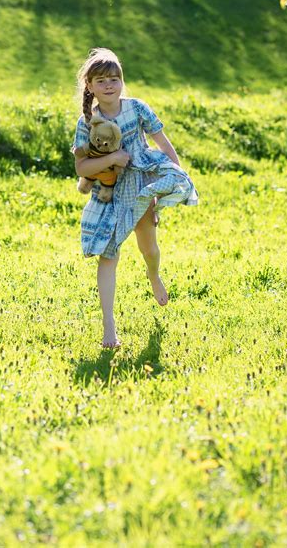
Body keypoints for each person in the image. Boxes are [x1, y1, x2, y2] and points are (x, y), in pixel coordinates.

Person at [71, 48, 198, 349]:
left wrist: (174, 175)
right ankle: (109, 328)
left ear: (122, 82)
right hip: (108, 194)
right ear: (89, 86)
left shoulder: (137, 108)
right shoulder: (87, 122)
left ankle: (153, 275)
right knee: (108, 255)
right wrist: (113, 157)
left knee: (149, 247)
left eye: (115, 78)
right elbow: (81, 167)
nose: (109, 85)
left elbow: (162, 144)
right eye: (101, 80)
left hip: (140, 186)